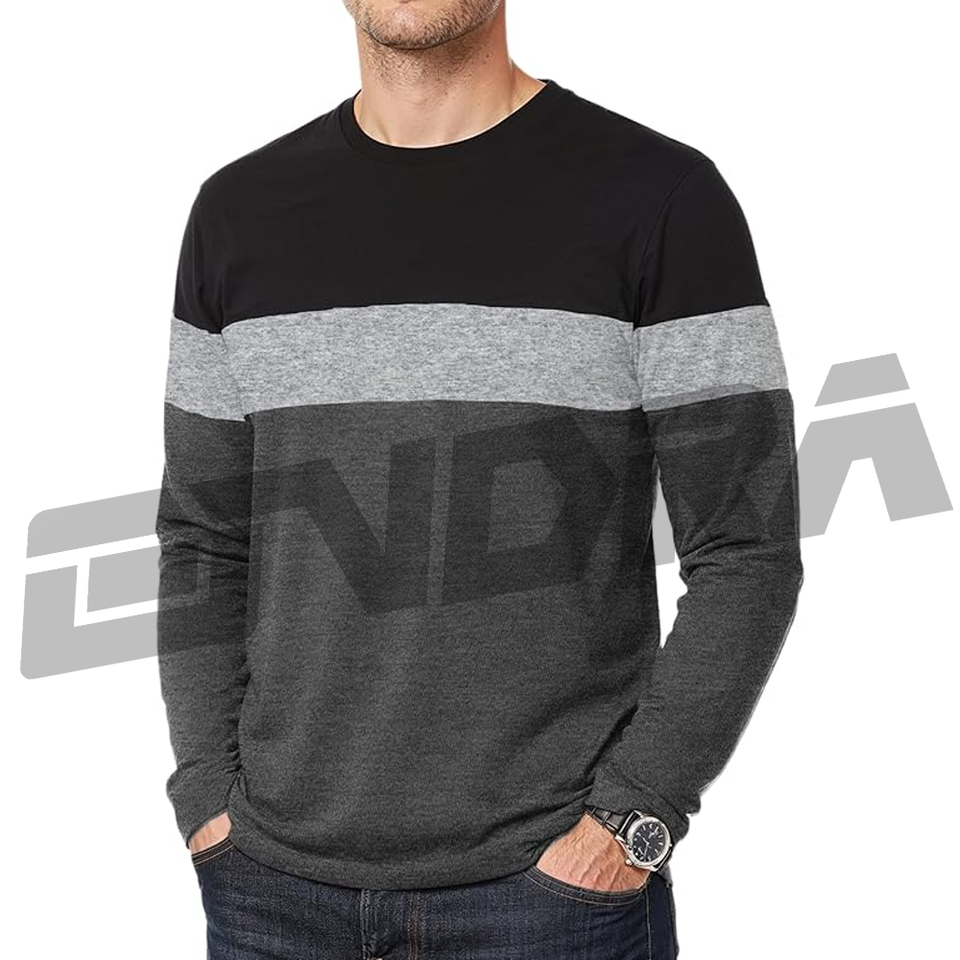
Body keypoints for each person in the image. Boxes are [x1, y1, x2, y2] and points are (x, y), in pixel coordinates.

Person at [155, 2, 804, 957]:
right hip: (272, 896)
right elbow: (204, 539)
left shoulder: (660, 197)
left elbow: (748, 549)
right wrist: (208, 797)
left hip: (552, 903)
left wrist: (634, 819)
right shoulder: (236, 213)